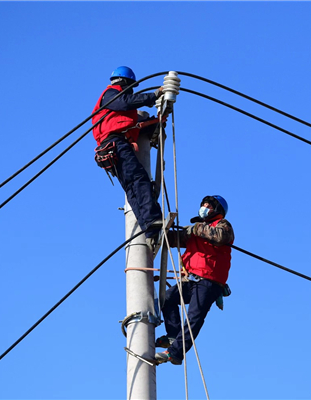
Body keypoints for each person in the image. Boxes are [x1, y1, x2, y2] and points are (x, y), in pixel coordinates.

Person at [155, 195, 235, 365]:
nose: (205, 207)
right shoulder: (195, 232)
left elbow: (220, 236)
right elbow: (174, 239)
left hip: (208, 281)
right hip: (191, 280)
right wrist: (157, 233)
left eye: (209, 205)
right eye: (203, 204)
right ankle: (173, 335)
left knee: (194, 318)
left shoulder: (222, 226)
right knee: (166, 298)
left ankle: (175, 352)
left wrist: (195, 228)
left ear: (218, 210)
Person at [92, 66, 164, 241]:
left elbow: (134, 122)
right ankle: (153, 219)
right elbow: (125, 102)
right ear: (125, 83)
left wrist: (156, 122)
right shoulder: (111, 94)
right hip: (116, 145)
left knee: (132, 188)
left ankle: (149, 229)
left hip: (112, 148)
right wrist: (153, 96)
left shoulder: (116, 113)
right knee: (139, 180)